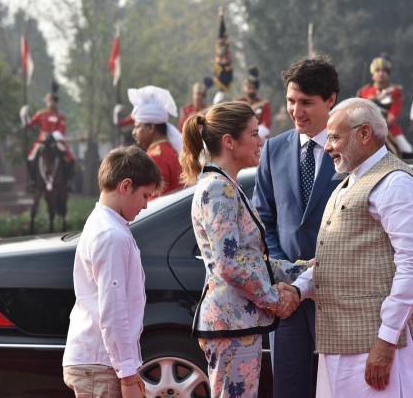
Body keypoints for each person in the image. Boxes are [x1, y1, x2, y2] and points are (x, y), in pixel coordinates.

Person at [292, 97, 413, 397]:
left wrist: (386, 341)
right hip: (342, 344)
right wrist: (298, 289)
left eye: (334, 137)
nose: (327, 147)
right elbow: (336, 260)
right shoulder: (350, 181)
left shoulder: (395, 183)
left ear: (364, 134)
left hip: (374, 348)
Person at [179, 101, 306, 398]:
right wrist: (275, 300)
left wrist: (303, 268)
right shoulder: (217, 188)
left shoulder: (227, 185)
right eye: (253, 134)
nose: (260, 140)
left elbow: (252, 259)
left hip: (238, 322)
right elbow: (230, 265)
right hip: (229, 322)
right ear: (229, 141)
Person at [252, 55, 341, 398]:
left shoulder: (350, 150)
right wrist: (286, 272)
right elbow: (264, 221)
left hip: (337, 297)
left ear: (330, 99)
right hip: (286, 299)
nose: (295, 110)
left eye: (306, 102)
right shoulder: (274, 149)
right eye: (291, 101)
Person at [62, 145, 163, 398]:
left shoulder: (105, 224)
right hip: (101, 363)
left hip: (100, 360)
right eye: (145, 196)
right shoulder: (111, 235)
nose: (145, 205)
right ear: (126, 186)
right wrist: (128, 375)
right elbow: (113, 309)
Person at [128, 85, 183, 198]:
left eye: (137, 127)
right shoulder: (170, 150)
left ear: (151, 127)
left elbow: (153, 203)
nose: (134, 132)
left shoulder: (156, 157)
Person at [358, 56, 413, 157]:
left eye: (384, 71)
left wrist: (384, 124)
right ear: (373, 74)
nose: (381, 73)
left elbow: (395, 111)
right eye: (378, 71)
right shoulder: (364, 91)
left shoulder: (394, 91)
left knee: (407, 149)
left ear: (388, 75)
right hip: (366, 128)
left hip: (389, 128)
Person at [21, 93, 75, 190]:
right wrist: (24, 116)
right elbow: (29, 125)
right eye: (49, 101)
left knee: (69, 157)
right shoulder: (41, 114)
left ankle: (68, 182)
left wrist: (51, 136)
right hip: (42, 140)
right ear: (46, 102)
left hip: (55, 140)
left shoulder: (60, 116)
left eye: (53, 101)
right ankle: (33, 181)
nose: (51, 104)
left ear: (56, 103)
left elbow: (61, 130)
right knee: (30, 158)